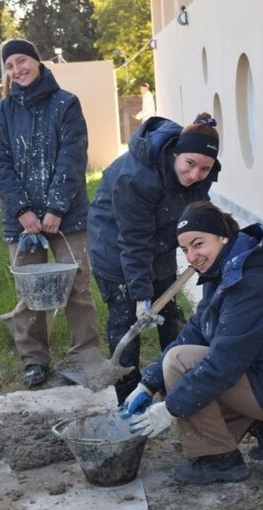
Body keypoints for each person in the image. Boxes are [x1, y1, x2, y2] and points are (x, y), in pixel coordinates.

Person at [123, 201, 263, 485]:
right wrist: (148, 383)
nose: (192, 257)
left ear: (223, 236)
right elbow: (196, 330)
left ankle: (219, 461)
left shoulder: (251, 282)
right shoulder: (224, 271)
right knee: (185, 367)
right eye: (185, 250)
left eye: (198, 244)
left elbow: (224, 365)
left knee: (180, 363)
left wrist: (170, 408)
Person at [88, 113, 221, 405]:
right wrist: (140, 295)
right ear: (176, 152)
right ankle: (128, 401)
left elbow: (197, 214)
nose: (195, 174)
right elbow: (133, 240)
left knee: (171, 318)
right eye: (190, 164)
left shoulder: (202, 173)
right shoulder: (137, 177)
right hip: (114, 247)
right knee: (126, 325)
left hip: (158, 242)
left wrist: (214, 241)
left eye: (204, 168)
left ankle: (174, 389)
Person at [0, 39, 100, 387]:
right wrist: (22, 211)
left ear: (37, 61)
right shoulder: (1, 113)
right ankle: (34, 360)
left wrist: (56, 208)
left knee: (77, 287)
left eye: (22, 61)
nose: (16, 70)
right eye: (9, 66)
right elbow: (0, 164)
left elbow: (72, 157)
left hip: (68, 215)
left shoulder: (66, 104)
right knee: (30, 290)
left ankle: (85, 357)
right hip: (20, 220)